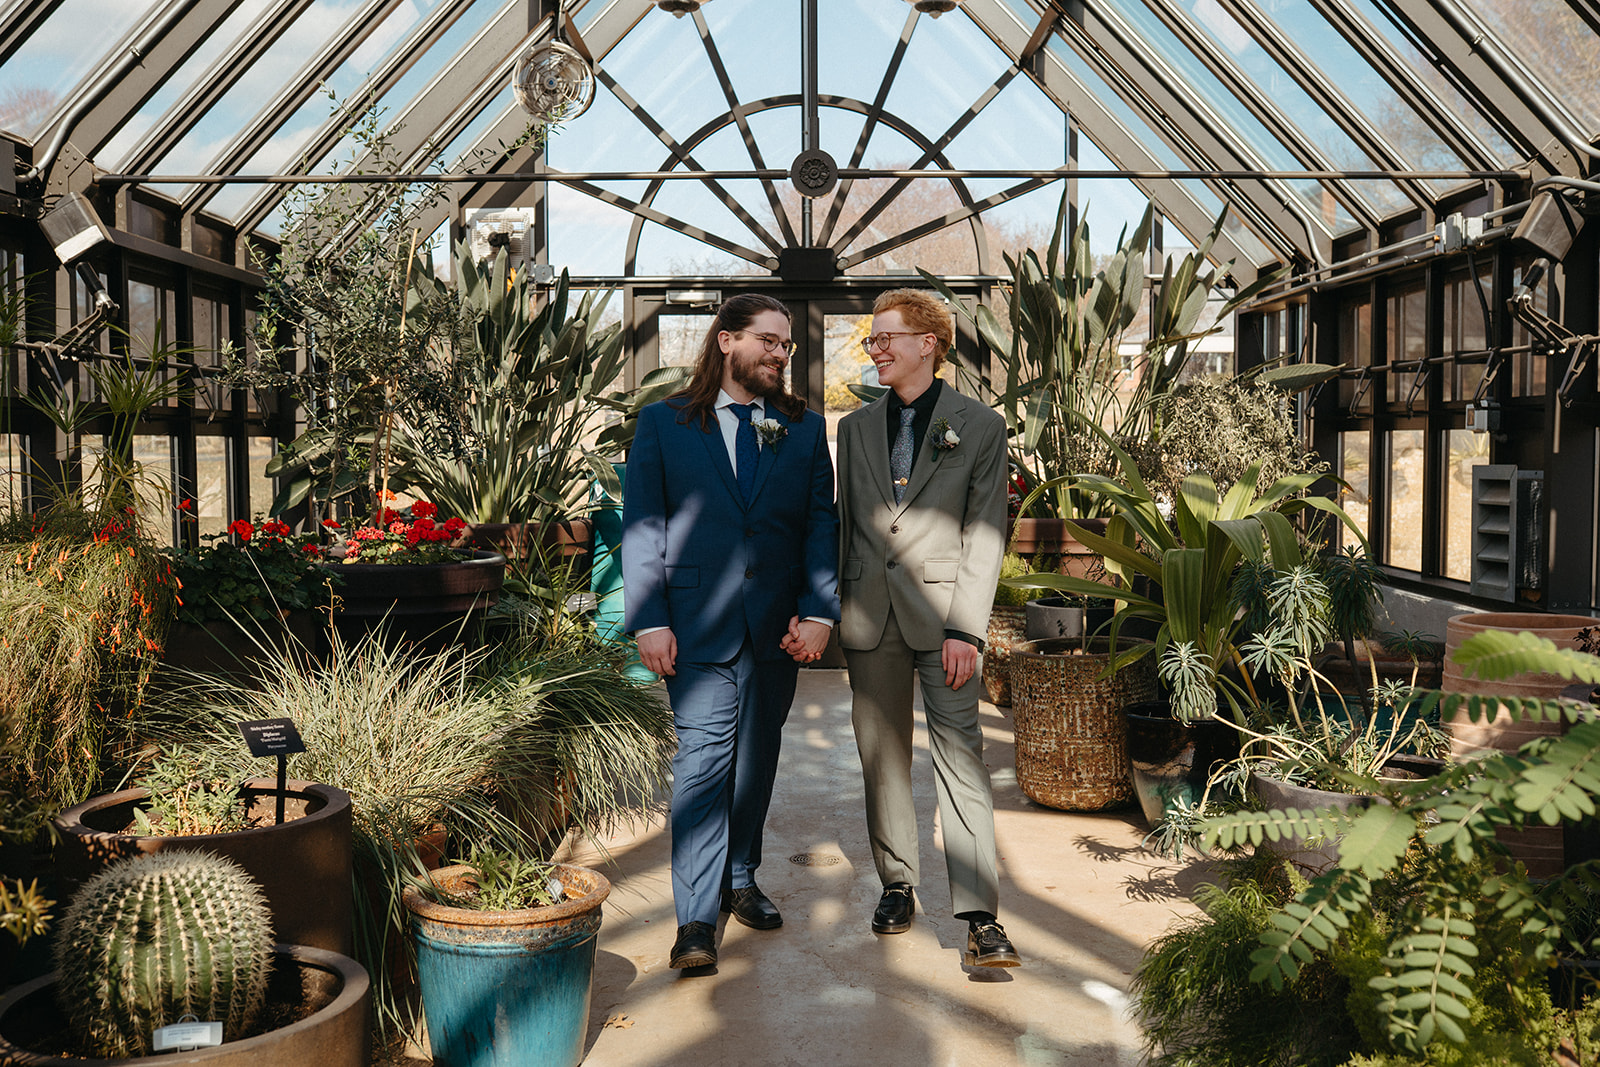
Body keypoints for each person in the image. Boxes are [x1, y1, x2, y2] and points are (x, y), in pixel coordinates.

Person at [621, 293, 839, 972]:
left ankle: (740, 875)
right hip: (695, 626)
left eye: (785, 345)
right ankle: (694, 920)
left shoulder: (804, 429)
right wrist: (650, 617)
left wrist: (820, 611)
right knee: (702, 764)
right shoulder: (663, 423)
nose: (779, 354)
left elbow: (821, 526)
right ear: (725, 340)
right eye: (767, 340)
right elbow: (643, 525)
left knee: (756, 759)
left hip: (778, 627)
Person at [833, 287, 1021, 968]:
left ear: (927, 344)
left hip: (946, 621)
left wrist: (966, 630)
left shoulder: (981, 425)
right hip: (869, 616)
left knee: (962, 759)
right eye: (873, 339)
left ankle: (980, 916)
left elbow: (985, 532)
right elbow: (847, 524)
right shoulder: (854, 429)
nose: (875, 349)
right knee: (881, 757)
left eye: (885, 338)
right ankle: (897, 885)